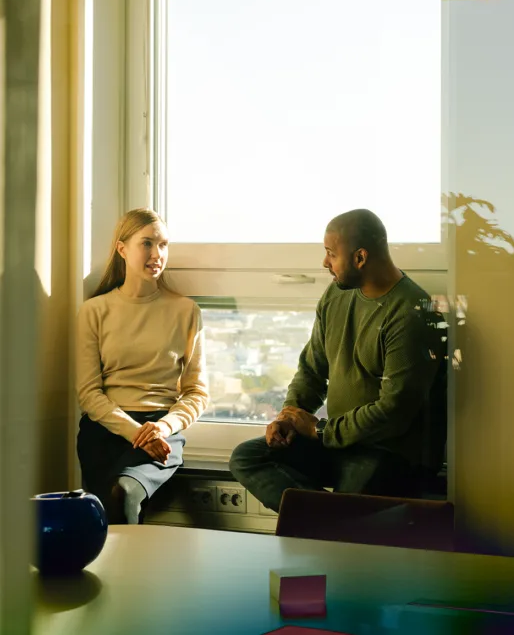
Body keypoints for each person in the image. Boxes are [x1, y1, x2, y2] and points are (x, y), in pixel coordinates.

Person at [229, 209, 447, 512]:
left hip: (389, 451)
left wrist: (319, 431)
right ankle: (333, 520)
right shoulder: (337, 295)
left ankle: (333, 522)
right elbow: (312, 368)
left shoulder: (413, 313)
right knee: (248, 456)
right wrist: (289, 418)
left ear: (360, 258)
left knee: (349, 504)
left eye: (331, 254)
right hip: (339, 442)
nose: (324, 263)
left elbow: (393, 412)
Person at [76, 208, 208, 524]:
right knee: (104, 517)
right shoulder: (94, 311)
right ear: (122, 249)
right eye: (147, 244)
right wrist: (137, 433)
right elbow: (89, 393)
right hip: (105, 430)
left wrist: (161, 428)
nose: (157, 254)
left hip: (161, 428)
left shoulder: (186, 311)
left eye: (163, 245)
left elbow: (196, 393)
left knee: (123, 493)